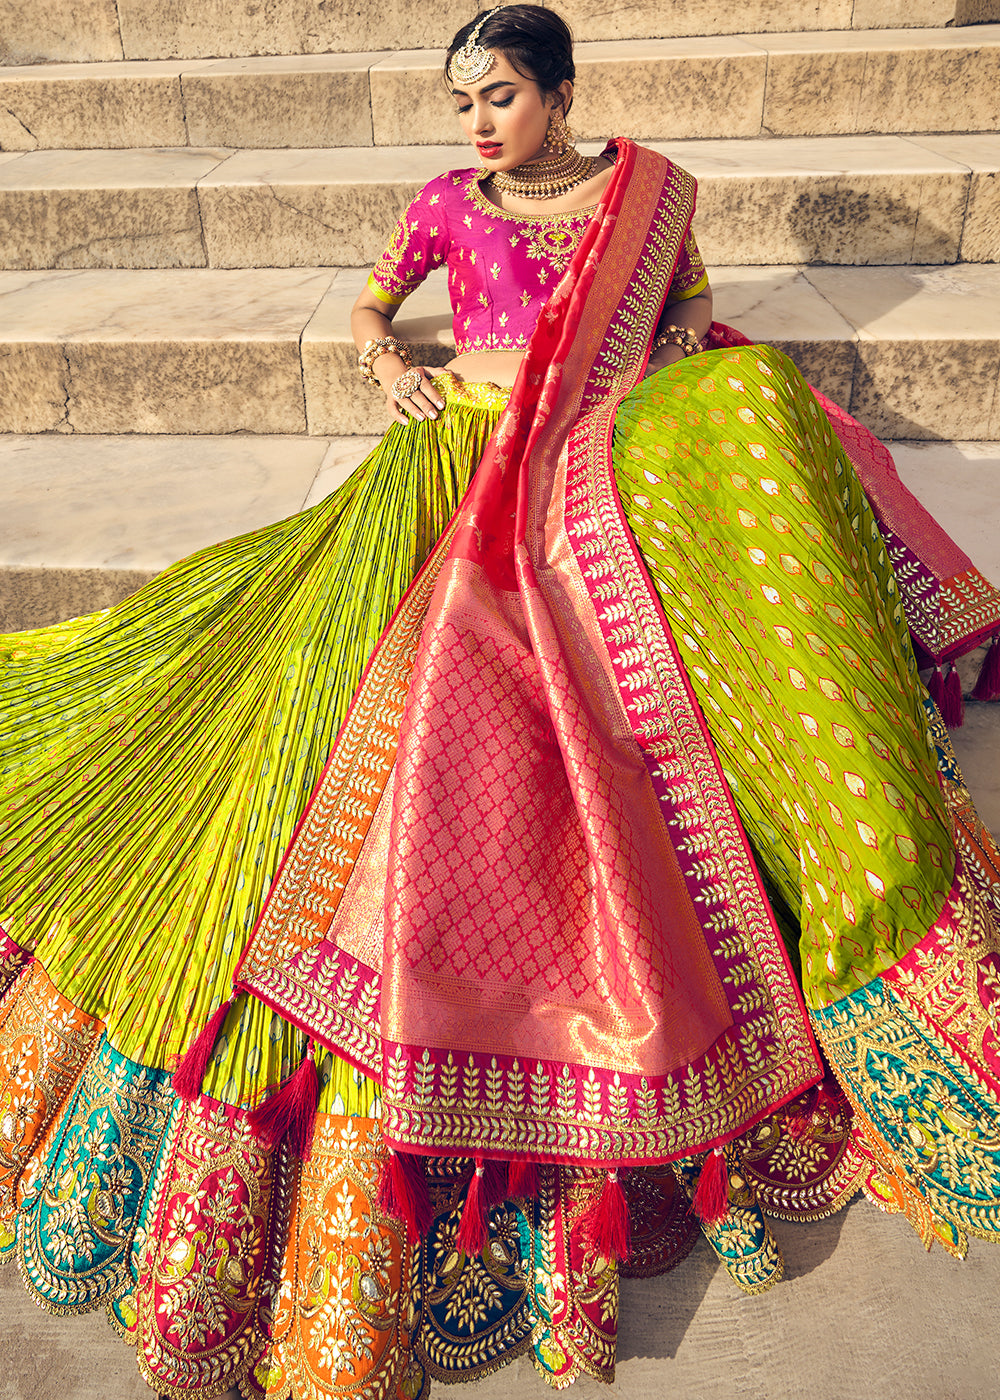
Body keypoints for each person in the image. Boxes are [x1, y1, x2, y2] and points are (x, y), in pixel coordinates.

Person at [2, 6, 1000, 1397]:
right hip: (457, 458)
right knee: (368, 693)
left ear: (561, 91)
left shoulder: (647, 199)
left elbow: (695, 322)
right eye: (464, 100)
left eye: (504, 97)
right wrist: (385, 363)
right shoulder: (439, 203)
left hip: (586, 455)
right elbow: (374, 299)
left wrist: (645, 412)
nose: (480, 124)